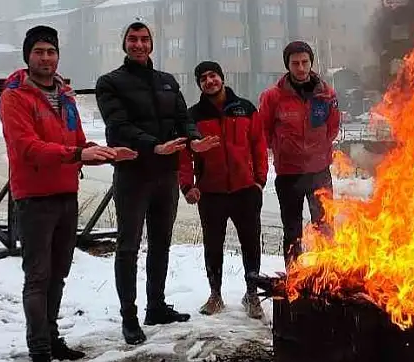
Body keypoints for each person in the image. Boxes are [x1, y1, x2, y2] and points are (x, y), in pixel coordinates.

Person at [0, 25, 137, 362]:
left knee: (59, 273)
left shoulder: (65, 96)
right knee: (38, 276)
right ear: (27, 56)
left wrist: (105, 152)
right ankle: (39, 352)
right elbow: (27, 147)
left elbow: (76, 140)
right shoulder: (15, 97)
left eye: (51, 51)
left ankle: (53, 336)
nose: (46, 58)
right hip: (34, 198)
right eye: (39, 51)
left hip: (65, 194)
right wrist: (78, 152)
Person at [96, 21, 221, 345]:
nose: (139, 44)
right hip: (133, 175)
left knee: (161, 243)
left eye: (144, 39)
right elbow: (118, 126)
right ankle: (129, 317)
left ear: (152, 44)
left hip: (165, 175)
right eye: (133, 39)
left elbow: (184, 119)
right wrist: (153, 145)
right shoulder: (110, 83)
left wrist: (193, 141)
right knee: (128, 247)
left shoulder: (167, 82)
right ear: (124, 44)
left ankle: (156, 306)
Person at [179, 61, 267, 319]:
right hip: (211, 192)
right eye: (203, 78)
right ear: (199, 84)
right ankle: (215, 294)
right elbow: (184, 155)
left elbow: (258, 145)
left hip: (245, 190)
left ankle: (252, 293)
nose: (209, 81)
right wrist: (187, 186)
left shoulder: (246, 109)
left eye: (213, 75)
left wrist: (259, 181)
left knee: (251, 243)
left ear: (222, 77)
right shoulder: (192, 116)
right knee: (213, 245)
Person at [258, 40, 341, 267]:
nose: (301, 68)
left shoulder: (326, 94)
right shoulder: (272, 97)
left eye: (305, 62)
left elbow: (333, 126)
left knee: (324, 227)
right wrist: (280, 148)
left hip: (319, 173)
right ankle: (294, 277)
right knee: (292, 231)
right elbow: (263, 130)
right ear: (288, 65)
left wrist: (320, 150)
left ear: (311, 62)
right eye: (295, 63)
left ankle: (328, 274)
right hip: (289, 175)